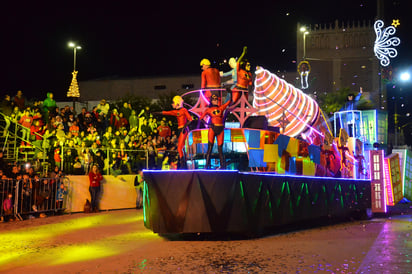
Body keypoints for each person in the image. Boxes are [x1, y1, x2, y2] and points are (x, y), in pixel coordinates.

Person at [155, 96, 193, 168]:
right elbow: (166, 112)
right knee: (181, 148)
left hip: (183, 130)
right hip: (180, 130)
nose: (172, 104)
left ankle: (183, 166)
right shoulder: (176, 112)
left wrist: (184, 127)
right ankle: (183, 165)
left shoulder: (184, 110)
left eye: (173, 103)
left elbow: (190, 119)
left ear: (177, 102)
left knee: (179, 148)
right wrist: (156, 113)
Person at [198, 94, 231, 169]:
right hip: (213, 129)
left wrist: (230, 93)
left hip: (220, 129)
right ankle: (206, 166)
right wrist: (208, 125)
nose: (215, 101)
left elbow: (229, 102)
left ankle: (222, 166)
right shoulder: (208, 110)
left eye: (216, 99)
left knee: (220, 149)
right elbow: (201, 118)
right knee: (210, 148)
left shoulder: (221, 107)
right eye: (214, 99)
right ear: (211, 101)